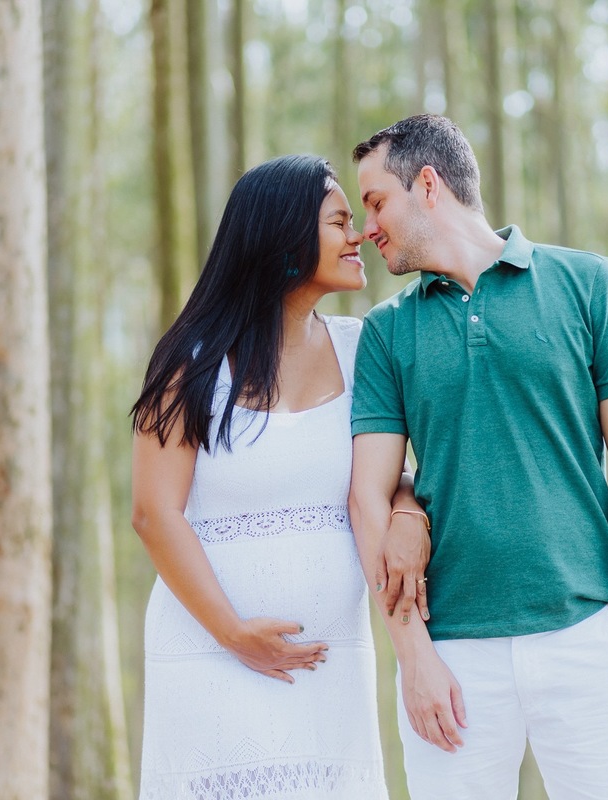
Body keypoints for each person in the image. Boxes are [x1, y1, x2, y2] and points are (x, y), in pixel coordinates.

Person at [347, 115, 608, 800]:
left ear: (427, 184)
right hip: (453, 658)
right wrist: (413, 657)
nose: (365, 227)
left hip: (588, 634)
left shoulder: (588, 284)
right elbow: (366, 496)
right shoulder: (386, 332)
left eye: (375, 202)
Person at [130, 154, 424, 799]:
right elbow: (155, 513)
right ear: (282, 237)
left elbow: (385, 477)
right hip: (210, 655)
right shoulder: (191, 363)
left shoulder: (362, 348)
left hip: (331, 665)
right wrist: (234, 634)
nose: (359, 236)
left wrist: (407, 509)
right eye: (339, 221)